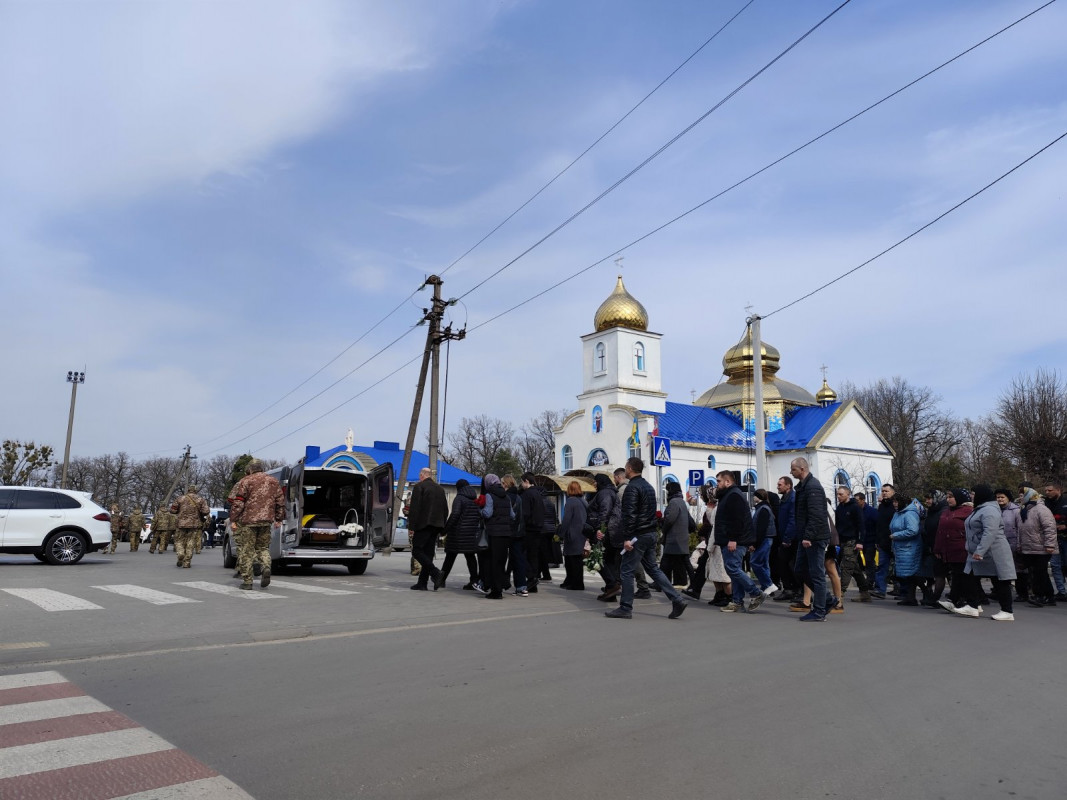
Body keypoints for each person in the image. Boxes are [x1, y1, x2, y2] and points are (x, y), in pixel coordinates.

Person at [604, 457, 687, 620]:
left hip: (637, 535)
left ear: (629, 468)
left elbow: (629, 515)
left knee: (626, 570)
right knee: (653, 569)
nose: (625, 470)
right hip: (650, 533)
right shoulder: (648, 487)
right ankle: (677, 599)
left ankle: (625, 607)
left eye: (626, 467)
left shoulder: (632, 488)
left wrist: (627, 538)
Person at [950, 484, 1016, 620]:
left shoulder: (989, 510)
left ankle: (1007, 611)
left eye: (973, 493)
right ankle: (973, 606)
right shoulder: (980, 509)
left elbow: (990, 532)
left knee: (1000, 580)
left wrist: (980, 551)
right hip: (979, 551)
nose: (971, 496)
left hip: (993, 552)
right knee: (969, 576)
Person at [227, 459, 285, 590]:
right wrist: (279, 518)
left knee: (247, 551)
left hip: (248, 522)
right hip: (266, 521)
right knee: (263, 548)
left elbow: (238, 502)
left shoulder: (246, 481)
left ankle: (247, 581)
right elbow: (280, 501)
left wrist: (233, 519)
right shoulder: (273, 481)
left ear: (250, 469)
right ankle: (266, 567)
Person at [713, 470, 764, 613]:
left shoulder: (734, 495)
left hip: (735, 540)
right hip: (729, 539)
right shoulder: (728, 495)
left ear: (727, 482)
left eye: (719, 481)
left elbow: (737, 520)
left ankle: (756, 593)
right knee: (733, 570)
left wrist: (733, 539)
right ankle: (737, 601)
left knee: (732, 568)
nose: (717, 484)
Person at [791, 457, 831, 621]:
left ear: (802, 469)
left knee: (816, 574)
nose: (791, 472)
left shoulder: (813, 486)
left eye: (793, 469)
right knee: (800, 570)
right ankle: (827, 599)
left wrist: (808, 536)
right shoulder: (803, 487)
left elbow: (816, 515)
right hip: (806, 537)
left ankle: (820, 611)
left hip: (815, 537)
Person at [1017, 485, 1058, 608]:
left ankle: (1040, 596)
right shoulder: (1024, 510)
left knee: (1040, 572)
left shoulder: (1041, 509)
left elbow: (1049, 528)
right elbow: (1021, 530)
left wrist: (1050, 544)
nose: (1021, 497)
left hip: (1042, 547)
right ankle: (1049, 596)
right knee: (1039, 572)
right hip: (1030, 547)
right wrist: (1020, 545)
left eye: (1023, 495)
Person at [408, 467, 447, 591]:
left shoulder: (419, 487)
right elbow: (445, 509)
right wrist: (443, 526)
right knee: (428, 554)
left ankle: (436, 573)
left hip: (423, 524)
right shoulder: (440, 489)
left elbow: (414, 509)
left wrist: (411, 526)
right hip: (437, 525)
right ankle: (422, 583)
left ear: (421, 475)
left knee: (417, 551)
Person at [440, 479, 483, 590]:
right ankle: (474, 581)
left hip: (457, 533)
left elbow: (454, 515)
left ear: (458, 488)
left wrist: (445, 530)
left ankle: (441, 580)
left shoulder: (459, 498)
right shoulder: (474, 499)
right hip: (471, 533)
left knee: (450, 557)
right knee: (470, 557)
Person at [932, 490, 971, 609]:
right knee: (956, 575)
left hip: (962, 548)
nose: (948, 499)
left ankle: (965, 600)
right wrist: (937, 548)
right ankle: (954, 599)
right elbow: (940, 531)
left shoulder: (968, 511)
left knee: (962, 575)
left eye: (951, 497)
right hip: (949, 549)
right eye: (947, 497)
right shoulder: (946, 512)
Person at [587, 473, 620, 601]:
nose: (594, 484)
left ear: (601, 481)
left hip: (606, 532)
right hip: (613, 531)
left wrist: (601, 529)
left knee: (597, 559)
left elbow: (605, 512)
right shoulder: (610, 492)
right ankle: (610, 593)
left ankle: (612, 585)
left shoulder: (605, 493)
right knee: (609, 561)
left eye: (595, 481)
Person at [836, 486, 872, 603]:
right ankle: (865, 593)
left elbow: (861, 525)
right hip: (843, 541)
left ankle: (840, 594)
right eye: (837, 494)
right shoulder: (839, 508)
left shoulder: (855, 507)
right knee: (855, 568)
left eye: (841, 494)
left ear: (848, 494)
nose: (838, 496)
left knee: (846, 566)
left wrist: (860, 541)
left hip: (852, 541)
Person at [480, 474, 512, 599]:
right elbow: (512, 515)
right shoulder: (507, 496)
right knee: (501, 562)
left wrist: (479, 510)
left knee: (492, 562)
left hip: (494, 533)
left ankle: (496, 591)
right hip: (506, 533)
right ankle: (501, 586)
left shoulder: (489, 495)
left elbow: (487, 513)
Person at [889, 494, 922, 606]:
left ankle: (926, 594)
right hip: (901, 548)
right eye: (893, 502)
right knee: (907, 575)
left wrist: (896, 535)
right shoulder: (897, 513)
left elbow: (913, 530)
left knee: (912, 574)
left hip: (910, 548)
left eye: (896, 502)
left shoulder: (910, 514)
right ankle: (910, 597)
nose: (894, 504)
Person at [559, 480, 589, 590]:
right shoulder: (584, 501)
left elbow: (566, 519)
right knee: (577, 560)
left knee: (571, 560)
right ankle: (571, 581)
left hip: (572, 534)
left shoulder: (570, 501)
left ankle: (576, 583)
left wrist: (561, 533)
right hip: (582, 534)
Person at [502, 475, 529, 596]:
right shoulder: (518, 497)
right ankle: (521, 586)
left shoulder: (506, 497)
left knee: (501, 558)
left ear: (506, 484)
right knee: (518, 560)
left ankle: (501, 583)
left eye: (502, 483)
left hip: (507, 531)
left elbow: (509, 516)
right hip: (519, 533)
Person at [995, 488, 1024, 601]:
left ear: (1008, 498)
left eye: (1002, 497)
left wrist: (1019, 544)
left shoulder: (1016, 511)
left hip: (1013, 543)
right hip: (1000, 544)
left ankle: (1022, 593)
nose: (1000, 499)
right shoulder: (995, 510)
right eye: (998, 497)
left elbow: (1020, 528)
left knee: (1018, 570)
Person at [772, 476, 798, 602]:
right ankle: (788, 589)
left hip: (792, 539)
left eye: (780, 484)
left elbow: (792, 519)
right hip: (784, 537)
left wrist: (787, 538)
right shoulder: (784, 499)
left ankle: (797, 590)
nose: (778, 487)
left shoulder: (792, 499)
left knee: (792, 565)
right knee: (782, 564)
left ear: (788, 486)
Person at [171, 485, 209, 569]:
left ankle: (180, 553)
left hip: (181, 524)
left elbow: (173, 510)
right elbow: (206, 511)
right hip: (194, 524)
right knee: (191, 542)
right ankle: (187, 562)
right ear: (196, 490)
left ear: (188, 490)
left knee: (179, 540)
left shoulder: (180, 498)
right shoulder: (200, 499)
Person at [520, 473, 545, 593]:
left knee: (522, 555)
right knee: (533, 556)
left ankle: (531, 578)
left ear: (526, 481)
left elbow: (525, 513)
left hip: (528, 529)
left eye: (522, 482)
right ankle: (533, 582)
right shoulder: (538, 494)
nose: (521, 484)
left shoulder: (527, 494)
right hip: (538, 528)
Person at [1043, 481, 1067, 601]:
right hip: (1053, 539)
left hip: (1065, 539)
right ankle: (1061, 592)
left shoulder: (1065, 501)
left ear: (1058, 490)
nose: (1047, 492)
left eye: (1050, 490)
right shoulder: (1045, 504)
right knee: (1055, 565)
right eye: (1046, 490)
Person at [750, 489, 777, 596]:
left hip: (765, 539)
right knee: (764, 564)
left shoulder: (763, 509)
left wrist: (755, 544)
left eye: (754, 495)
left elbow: (761, 529)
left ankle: (769, 584)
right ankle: (766, 587)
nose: (753, 497)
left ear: (758, 497)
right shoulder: (764, 508)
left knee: (755, 562)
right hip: (766, 538)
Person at [856, 491, 882, 596]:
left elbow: (877, 526)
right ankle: (868, 581)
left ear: (863, 500)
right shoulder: (856, 511)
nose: (856, 503)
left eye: (857, 500)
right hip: (860, 541)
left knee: (869, 561)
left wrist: (877, 540)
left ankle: (870, 582)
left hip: (871, 540)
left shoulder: (872, 512)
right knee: (862, 563)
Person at [876, 484, 897, 596]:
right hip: (883, 541)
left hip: (895, 540)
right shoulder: (881, 506)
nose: (884, 493)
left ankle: (900, 589)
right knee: (882, 566)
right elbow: (879, 524)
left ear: (893, 492)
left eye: (886, 491)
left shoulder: (896, 505)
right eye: (883, 491)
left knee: (897, 567)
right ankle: (880, 589)